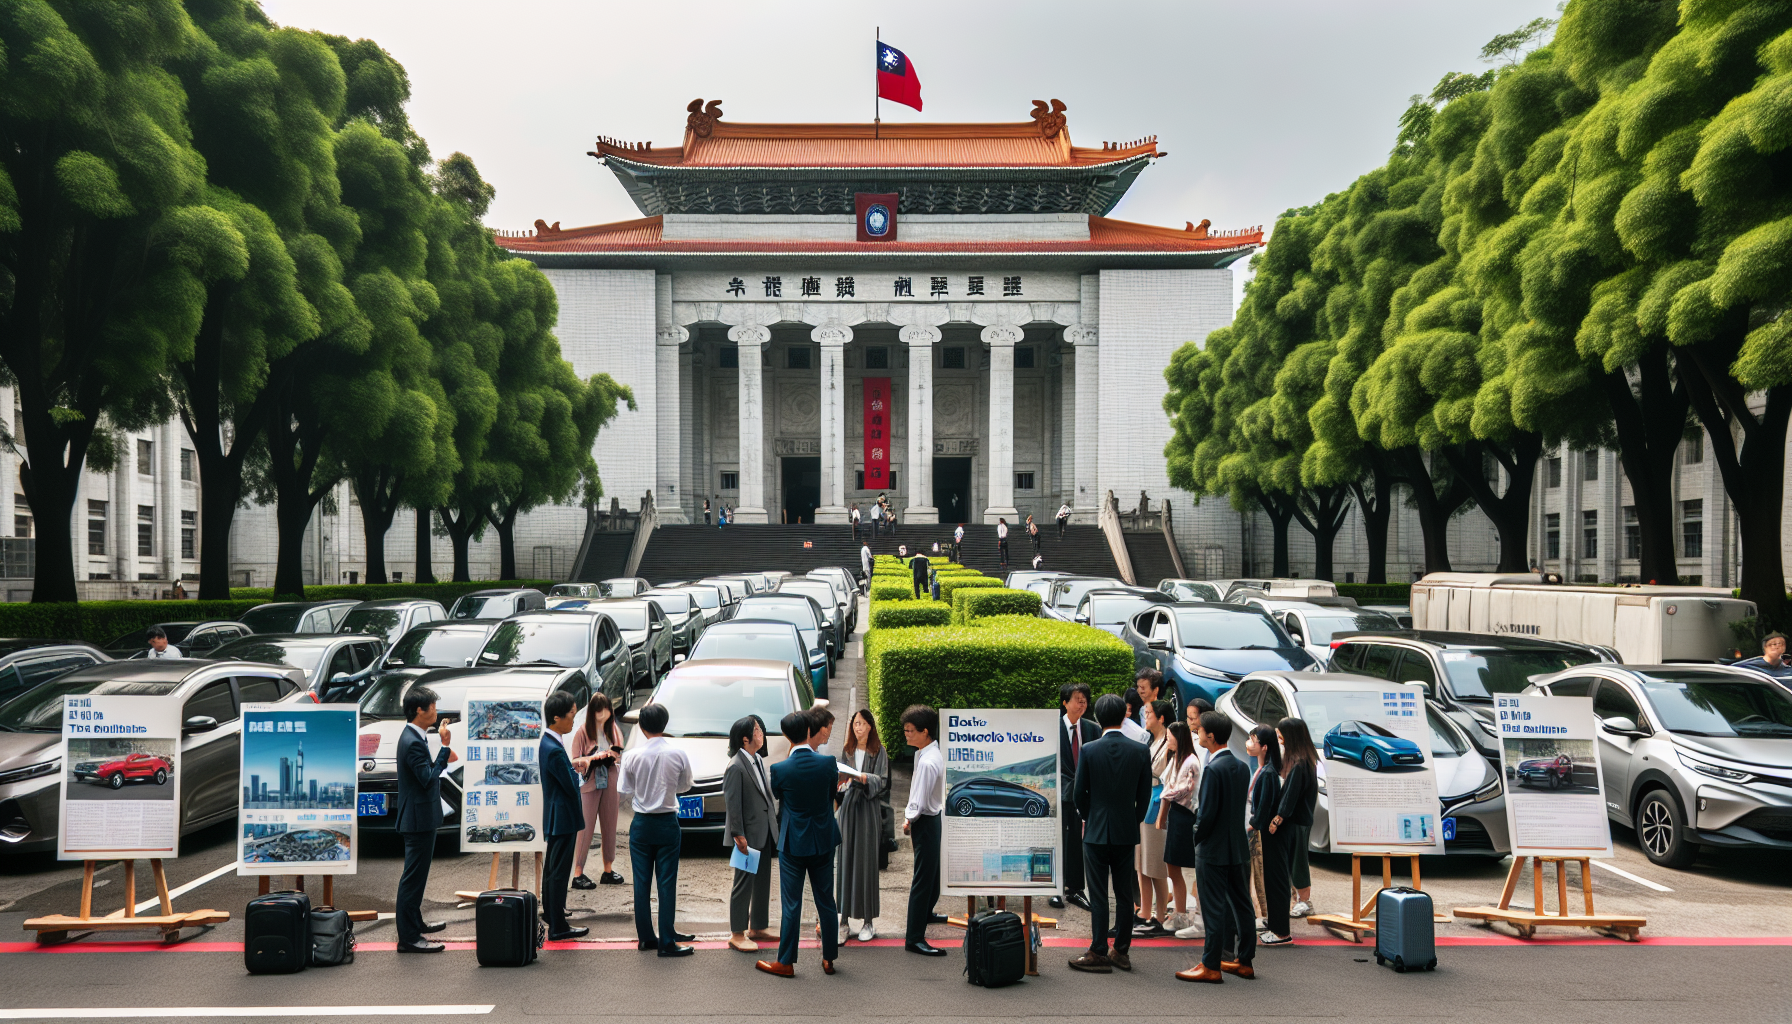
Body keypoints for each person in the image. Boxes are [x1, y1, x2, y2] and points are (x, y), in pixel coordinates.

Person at [1069, 693, 1152, 973]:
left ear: (1098, 717)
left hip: (1095, 831)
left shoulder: (1090, 750)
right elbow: (1144, 795)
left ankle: (1098, 950)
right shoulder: (1140, 750)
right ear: (1124, 716)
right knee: (1125, 893)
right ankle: (1122, 951)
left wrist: (1089, 817)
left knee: (1098, 893)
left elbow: (1079, 793)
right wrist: (1132, 819)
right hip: (1126, 830)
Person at [758, 712, 842, 978]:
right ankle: (829, 958)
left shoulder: (780, 769)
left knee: (791, 904)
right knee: (826, 900)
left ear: (785, 736)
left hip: (793, 842)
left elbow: (780, 798)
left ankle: (786, 962)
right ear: (809, 731)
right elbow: (831, 796)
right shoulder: (828, 763)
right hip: (823, 838)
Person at [1177, 712, 1253, 983]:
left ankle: (1210, 965)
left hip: (1213, 849)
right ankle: (1244, 960)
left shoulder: (1213, 769)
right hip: (1237, 846)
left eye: (1200, 730)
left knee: (1213, 908)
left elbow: (1206, 814)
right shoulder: (1242, 767)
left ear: (1210, 736)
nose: (1197, 733)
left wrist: (1197, 835)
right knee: (1242, 905)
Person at [617, 702, 695, 957]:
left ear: (641, 726)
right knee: (666, 883)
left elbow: (624, 790)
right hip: (667, 823)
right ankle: (667, 940)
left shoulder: (631, 756)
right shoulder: (678, 754)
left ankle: (646, 937)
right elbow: (685, 786)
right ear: (665, 724)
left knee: (641, 883)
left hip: (641, 823)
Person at [394, 685, 455, 953]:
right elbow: (428, 777)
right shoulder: (412, 741)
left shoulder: (415, 735)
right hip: (417, 819)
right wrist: (444, 747)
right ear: (419, 710)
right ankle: (407, 938)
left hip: (422, 817)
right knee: (412, 878)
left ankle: (415, 923)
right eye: (432, 707)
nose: (436, 711)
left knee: (417, 878)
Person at [724, 715, 778, 952]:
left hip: (763, 829)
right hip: (747, 834)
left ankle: (758, 926)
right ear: (745, 739)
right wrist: (738, 833)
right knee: (743, 883)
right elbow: (733, 803)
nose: (761, 733)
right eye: (756, 730)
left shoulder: (756, 759)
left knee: (762, 879)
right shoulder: (736, 765)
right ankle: (737, 932)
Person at [539, 691, 588, 941]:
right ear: (556, 718)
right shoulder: (555, 748)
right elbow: (570, 785)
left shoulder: (549, 742)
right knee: (558, 872)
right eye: (571, 715)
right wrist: (580, 771)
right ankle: (558, 926)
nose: (573, 721)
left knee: (552, 869)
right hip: (563, 816)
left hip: (556, 815)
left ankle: (552, 914)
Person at [836, 709, 888, 942]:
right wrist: (840, 785)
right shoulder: (847, 751)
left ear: (870, 727)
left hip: (868, 810)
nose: (858, 728)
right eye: (855, 724)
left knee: (867, 864)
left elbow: (883, 781)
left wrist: (865, 778)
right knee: (845, 862)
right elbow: (838, 777)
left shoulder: (879, 751)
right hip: (848, 809)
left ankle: (868, 921)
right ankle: (843, 921)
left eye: (862, 724)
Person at [901, 704, 948, 956]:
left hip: (926, 821)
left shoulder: (928, 761)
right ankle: (915, 933)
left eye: (910, 730)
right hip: (928, 821)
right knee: (927, 875)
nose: (906, 734)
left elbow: (918, 798)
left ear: (925, 731)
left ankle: (916, 933)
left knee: (926, 878)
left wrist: (909, 818)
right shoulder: (925, 753)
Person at [568, 694, 625, 889]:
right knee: (585, 827)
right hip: (590, 780)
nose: (603, 716)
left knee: (610, 823)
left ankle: (608, 869)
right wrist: (591, 758)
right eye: (599, 712)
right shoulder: (582, 732)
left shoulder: (613, 728)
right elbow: (574, 761)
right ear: (592, 712)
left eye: (606, 711)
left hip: (610, 778)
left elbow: (618, 752)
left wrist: (610, 755)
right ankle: (578, 872)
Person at [1052, 683, 1099, 911]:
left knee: (1078, 843)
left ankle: (1076, 889)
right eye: (1077, 699)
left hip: (1084, 794)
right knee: (1058, 841)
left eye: (1084, 700)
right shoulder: (1051, 728)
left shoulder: (1092, 729)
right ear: (1065, 702)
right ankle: (1056, 889)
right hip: (1058, 793)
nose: (1082, 704)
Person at [1159, 720, 1203, 939]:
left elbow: (1184, 790)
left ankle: (1184, 914)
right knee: (1172, 865)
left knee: (1181, 865)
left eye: (1170, 736)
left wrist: (1164, 796)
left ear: (1179, 737)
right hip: (1177, 815)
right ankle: (1180, 912)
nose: (1167, 740)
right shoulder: (1178, 758)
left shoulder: (1191, 761)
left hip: (1186, 816)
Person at [1134, 699, 1174, 938]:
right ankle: (1145, 912)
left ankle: (1160, 915)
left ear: (1161, 717)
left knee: (1156, 862)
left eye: (1149, 713)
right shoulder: (1153, 741)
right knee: (1142, 862)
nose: (1145, 716)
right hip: (1145, 799)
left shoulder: (1170, 742)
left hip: (1157, 802)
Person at [1274, 717, 1321, 920]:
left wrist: (1278, 818)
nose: (1279, 738)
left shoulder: (1299, 764)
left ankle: (1304, 901)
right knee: (1295, 861)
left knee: (1298, 862)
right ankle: (1299, 899)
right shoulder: (1305, 759)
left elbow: (1290, 796)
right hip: (1301, 819)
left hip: (1297, 821)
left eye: (1281, 735)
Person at [1245, 725, 1286, 945]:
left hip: (1262, 834)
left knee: (1267, 879)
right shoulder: (1263, 769)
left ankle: (1276, 926)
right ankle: (1271, 923)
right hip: (1258, 831)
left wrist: (1253, 825)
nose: (1249, 744)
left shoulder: (1268, 773)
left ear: (1264, 747)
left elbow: (1264, 808)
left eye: (1253, 740)